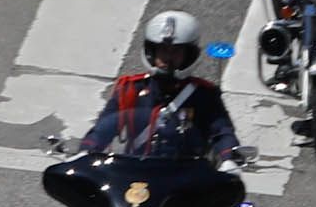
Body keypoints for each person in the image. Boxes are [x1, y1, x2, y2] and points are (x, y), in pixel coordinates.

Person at [82, 10, 254, 170]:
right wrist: (85, 151)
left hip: (186, 179)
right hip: (135, 173)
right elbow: (102, 128)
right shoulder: (130, 89)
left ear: (189, 56)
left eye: (176, 52)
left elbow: (222, 132)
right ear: (152, 52)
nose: (167, 58)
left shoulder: (204, 95)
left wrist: (229, 159)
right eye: (163, 50)